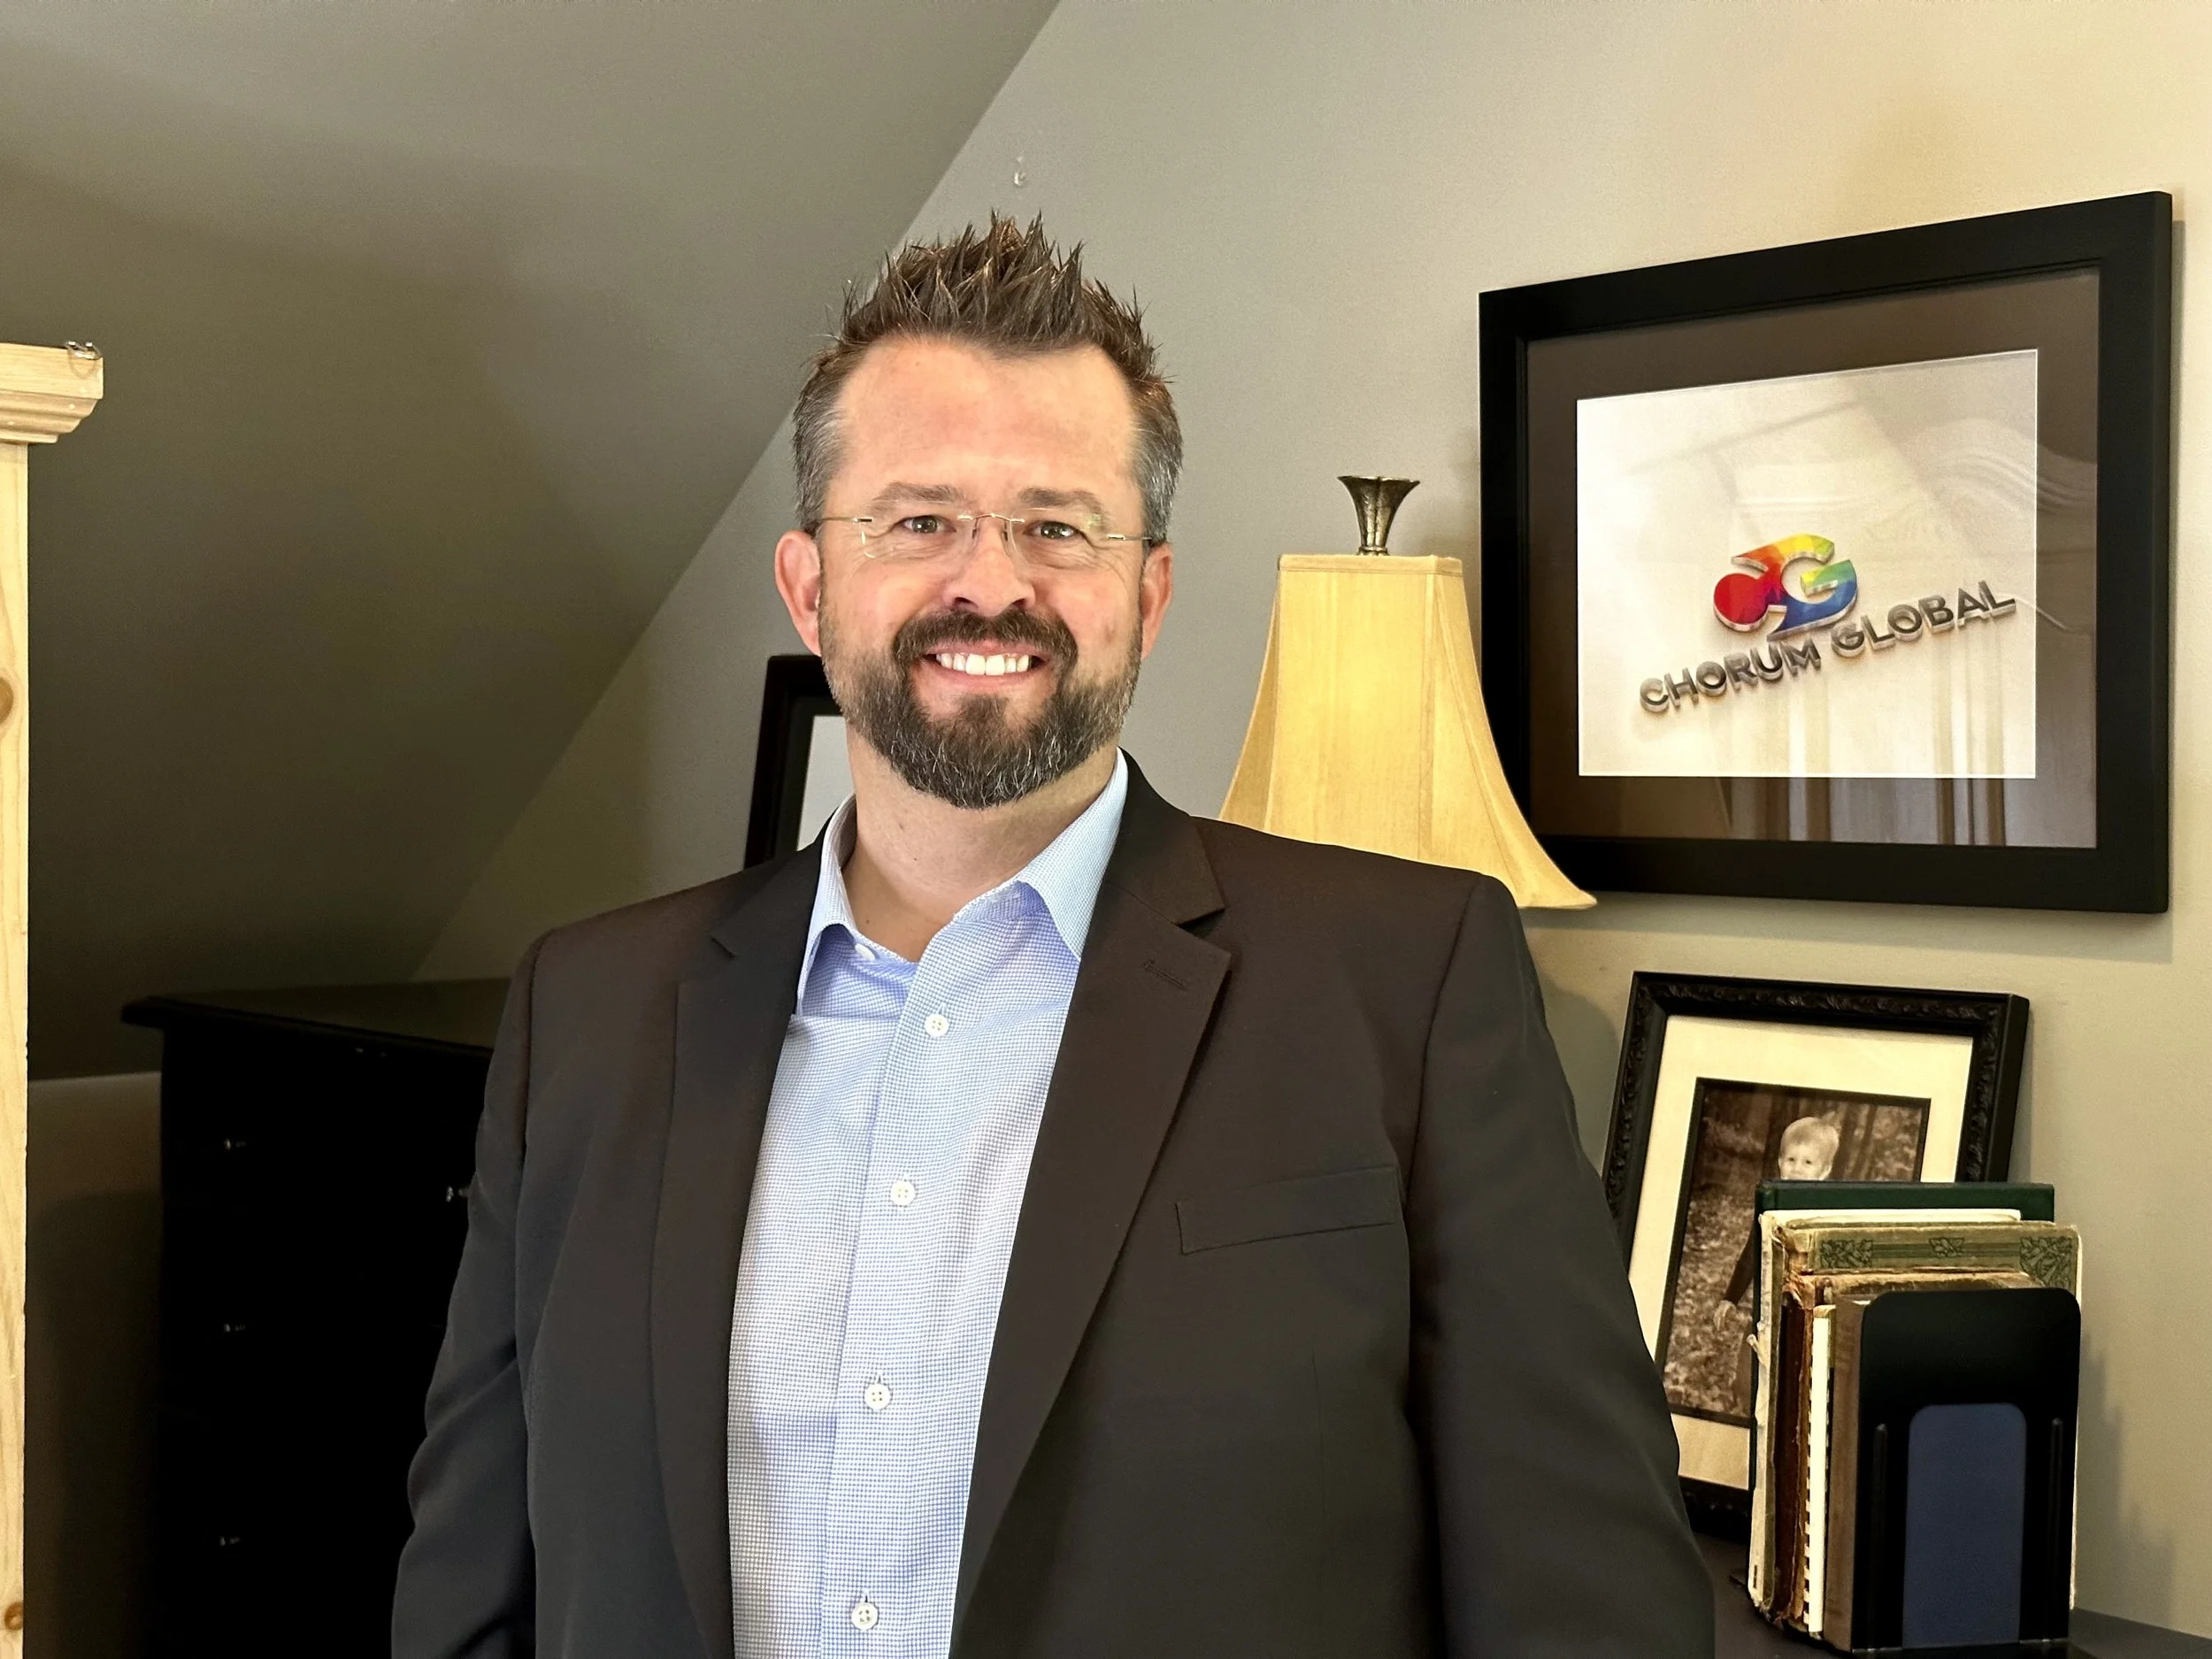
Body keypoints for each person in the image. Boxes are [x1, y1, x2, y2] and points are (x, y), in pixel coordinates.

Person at [391, 216, 1710, 1659]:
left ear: (1147, 593)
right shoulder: (587, 1014)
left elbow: (1593, 1612)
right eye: (919, 521)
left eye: (1057, 526)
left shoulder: (1407, 985)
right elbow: (473, 1594)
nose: (992, 582)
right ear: (809, 587)